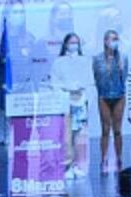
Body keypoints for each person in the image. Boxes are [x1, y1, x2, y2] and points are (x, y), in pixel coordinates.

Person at [53, 32, 93, 180]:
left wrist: (81, 89)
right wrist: (67, 87)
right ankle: (66, 166)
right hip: (65, 102)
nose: (74, 45)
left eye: (76, 42)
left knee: (77, 136)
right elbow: (54, 83)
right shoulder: (58, 62)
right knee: (66, 136)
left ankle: (76, 165)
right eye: (71, 43)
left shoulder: (85, 61)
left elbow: (90, 80)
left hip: (80, 101)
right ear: (65, 45)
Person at [93, 30, 130, 174]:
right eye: (112, 39)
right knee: (105, 129)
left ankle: (119, 158)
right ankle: (104, 159)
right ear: (105, 41)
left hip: (119, 95)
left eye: (117, 39)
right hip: (104, 96)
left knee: (118, 130)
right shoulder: (97, 59)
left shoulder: (123, 57)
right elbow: (96, 77)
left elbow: (124, 76)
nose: (115, 41)